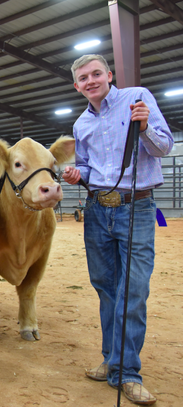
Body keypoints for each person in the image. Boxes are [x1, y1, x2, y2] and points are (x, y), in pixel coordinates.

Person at [62, 54, 173, 406]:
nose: (91, 80)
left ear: (109, 75)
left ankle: (128, 373)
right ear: (76, 86)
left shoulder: (137, 99)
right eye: (83, 77)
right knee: (107, 290)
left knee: (132, 291)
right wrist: (77, 176)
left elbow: (164, 147)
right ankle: (113, 359)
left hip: (136, 207)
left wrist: (143, 127)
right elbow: (86, 168)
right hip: (97, 210)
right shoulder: (80, 124)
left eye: (97, 73)